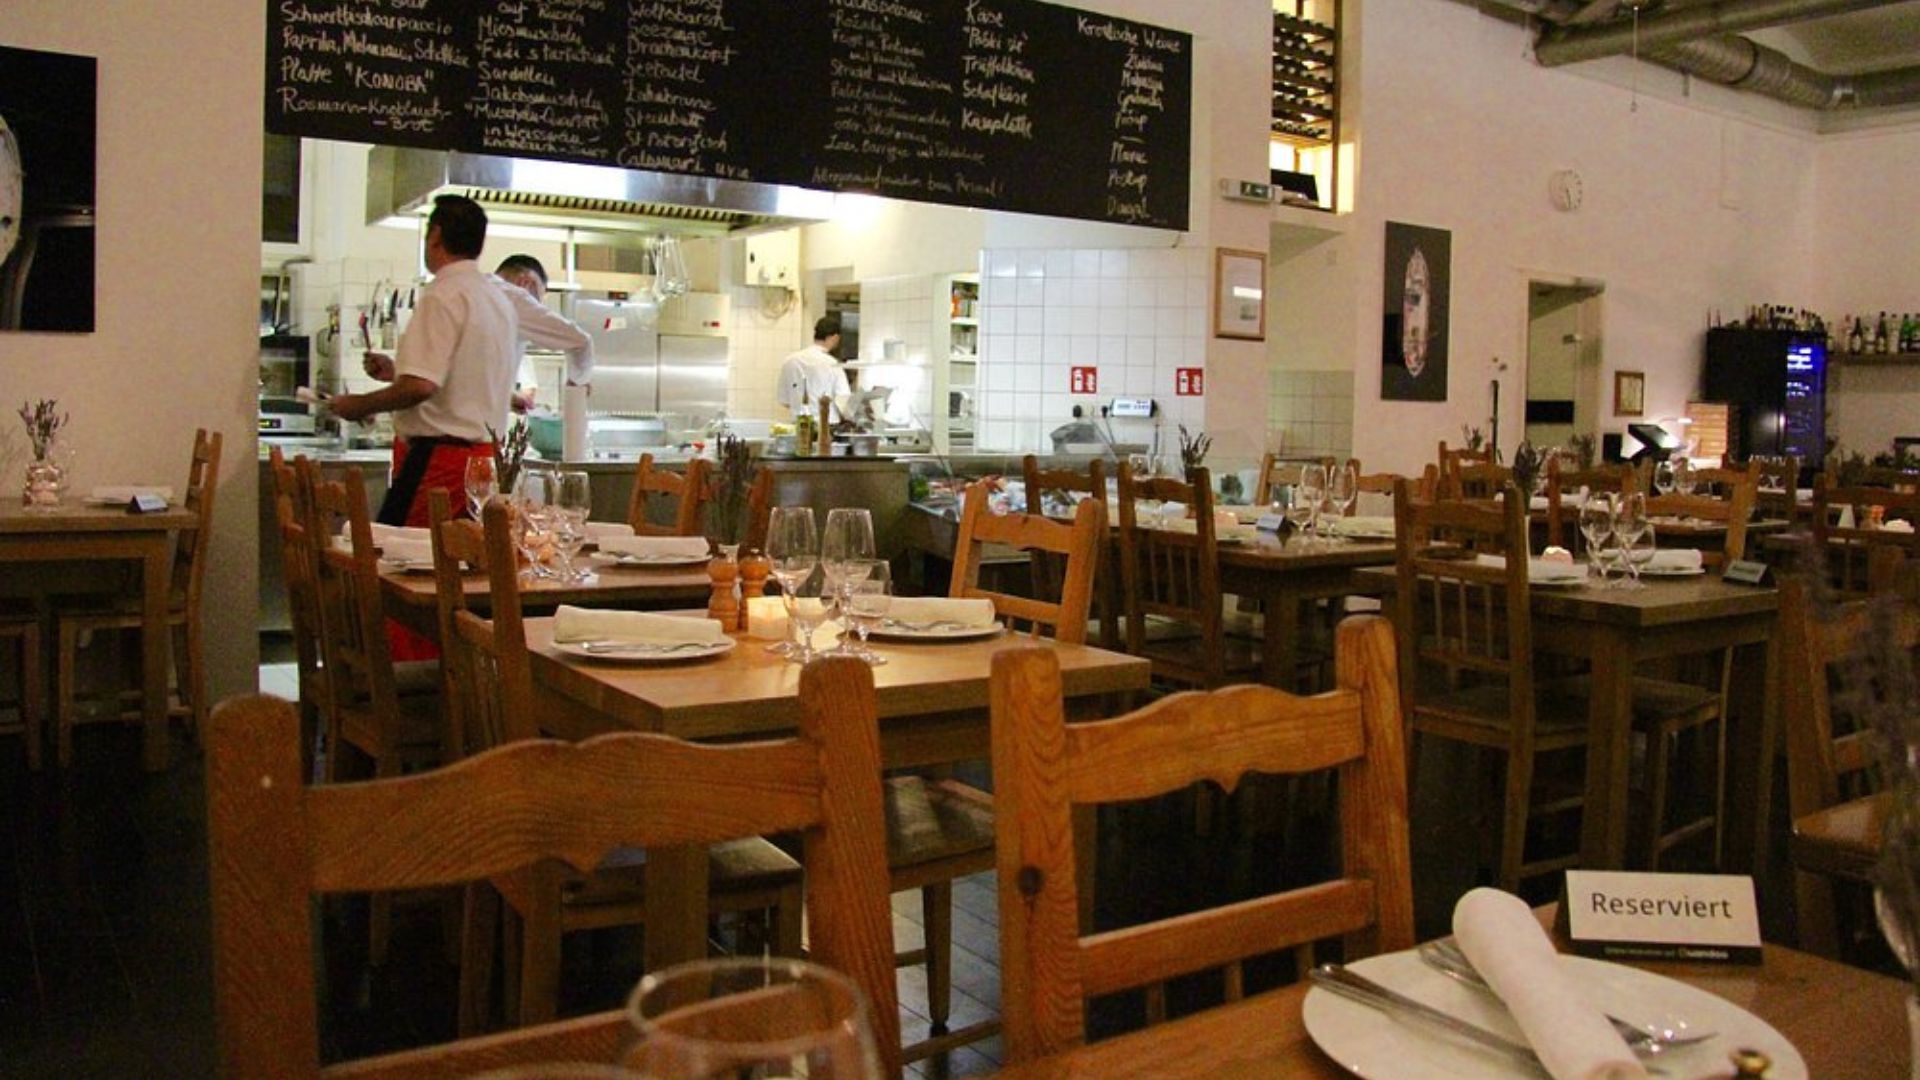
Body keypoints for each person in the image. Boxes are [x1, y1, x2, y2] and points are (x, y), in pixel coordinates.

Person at [331, 194, 516, 529]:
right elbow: (463, 380)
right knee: (466, 558)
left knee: (408, 556)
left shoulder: (443, 294)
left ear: (435, 235)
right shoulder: (496, 298)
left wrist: (359, 405)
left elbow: (420, 386)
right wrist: (397, 373)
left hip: (440, 462)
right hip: (485, 461)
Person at [494, 253, 594, 413]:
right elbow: (581, 342)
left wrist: (508, 397)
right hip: (474, 425)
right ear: (525, 282)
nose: (536, 306)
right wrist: (577, 383)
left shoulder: (475, 291)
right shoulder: (513, 299)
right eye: (536, 300)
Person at [777, 315, 851, 424]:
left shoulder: (790, 361)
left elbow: (784, 401)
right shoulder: (833, 364)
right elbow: (843, 401)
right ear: (835, 337)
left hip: (799, 425)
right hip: (826, 426)